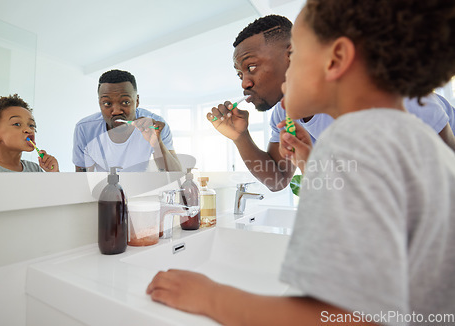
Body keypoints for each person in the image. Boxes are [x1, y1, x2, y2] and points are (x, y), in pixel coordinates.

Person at [147, 1, 455, 325]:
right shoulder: (384, 129)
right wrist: (311, 163)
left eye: (294, 57)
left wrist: (212, 297)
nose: (246, 83)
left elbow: (350, 318)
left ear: (335, 60)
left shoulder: (360, 133)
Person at [208, 14, 455, 192]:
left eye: (251, 67)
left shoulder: (386, 92)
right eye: (240, 74)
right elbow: (277, 180)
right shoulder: (286, 118)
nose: (245, 83)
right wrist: (241, 138)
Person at [72, 69, 181, 172]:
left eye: (125, 102)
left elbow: (175, 175)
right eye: (107, 103)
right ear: (99, 103)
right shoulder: (84, 129)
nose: (116, 111)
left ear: (137, 101)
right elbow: (82, 177)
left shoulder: (156, 125)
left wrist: (157, 143)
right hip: (104, 190)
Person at [0, 94, 59, 172]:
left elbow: (50, 194)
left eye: (31, 125)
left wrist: (53, 174)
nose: (29, 130)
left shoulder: (34, 170)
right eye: (17, 124)